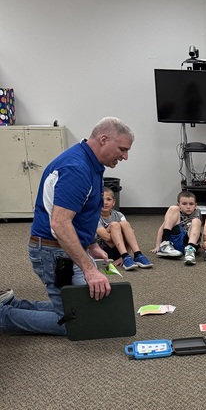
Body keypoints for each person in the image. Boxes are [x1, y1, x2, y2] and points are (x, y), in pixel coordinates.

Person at [0, 117, 133, 336]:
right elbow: (60, 224)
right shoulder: (77, 169)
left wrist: (91, 243)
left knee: (83, 306)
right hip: (54, 252)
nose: (125, 156)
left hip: (67, 247)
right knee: (77, 320)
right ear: (103, 139)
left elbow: (82, 212)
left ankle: (14, 305)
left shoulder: (91, 163)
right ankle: (4, 317)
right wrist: (89, 269)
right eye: (122, 149)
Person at [96, 188, 152, 270]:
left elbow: (129, 234)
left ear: (114, 202)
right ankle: (125, 256)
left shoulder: (119, 215)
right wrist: (120, 234)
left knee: (125, 225)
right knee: (115, 225)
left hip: (120, 251)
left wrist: (126, 235)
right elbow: (106, 237)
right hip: (104, 251)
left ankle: (137, 254)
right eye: (102, 200)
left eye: (109, 199)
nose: (105, 202)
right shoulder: (95, 217)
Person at [153, 189, 203, 265]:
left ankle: (190, 251)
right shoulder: (176, 212)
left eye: (191, 204)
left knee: (196, 221)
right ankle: (165, 245)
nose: (188, 207)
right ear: (178, 205)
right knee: (172, 208)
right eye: (184, 204)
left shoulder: (197, 213)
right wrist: (157, 246)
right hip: (175, 241)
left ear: (195, 205)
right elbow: (162, 228)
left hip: (189, 241)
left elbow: (201, 230)